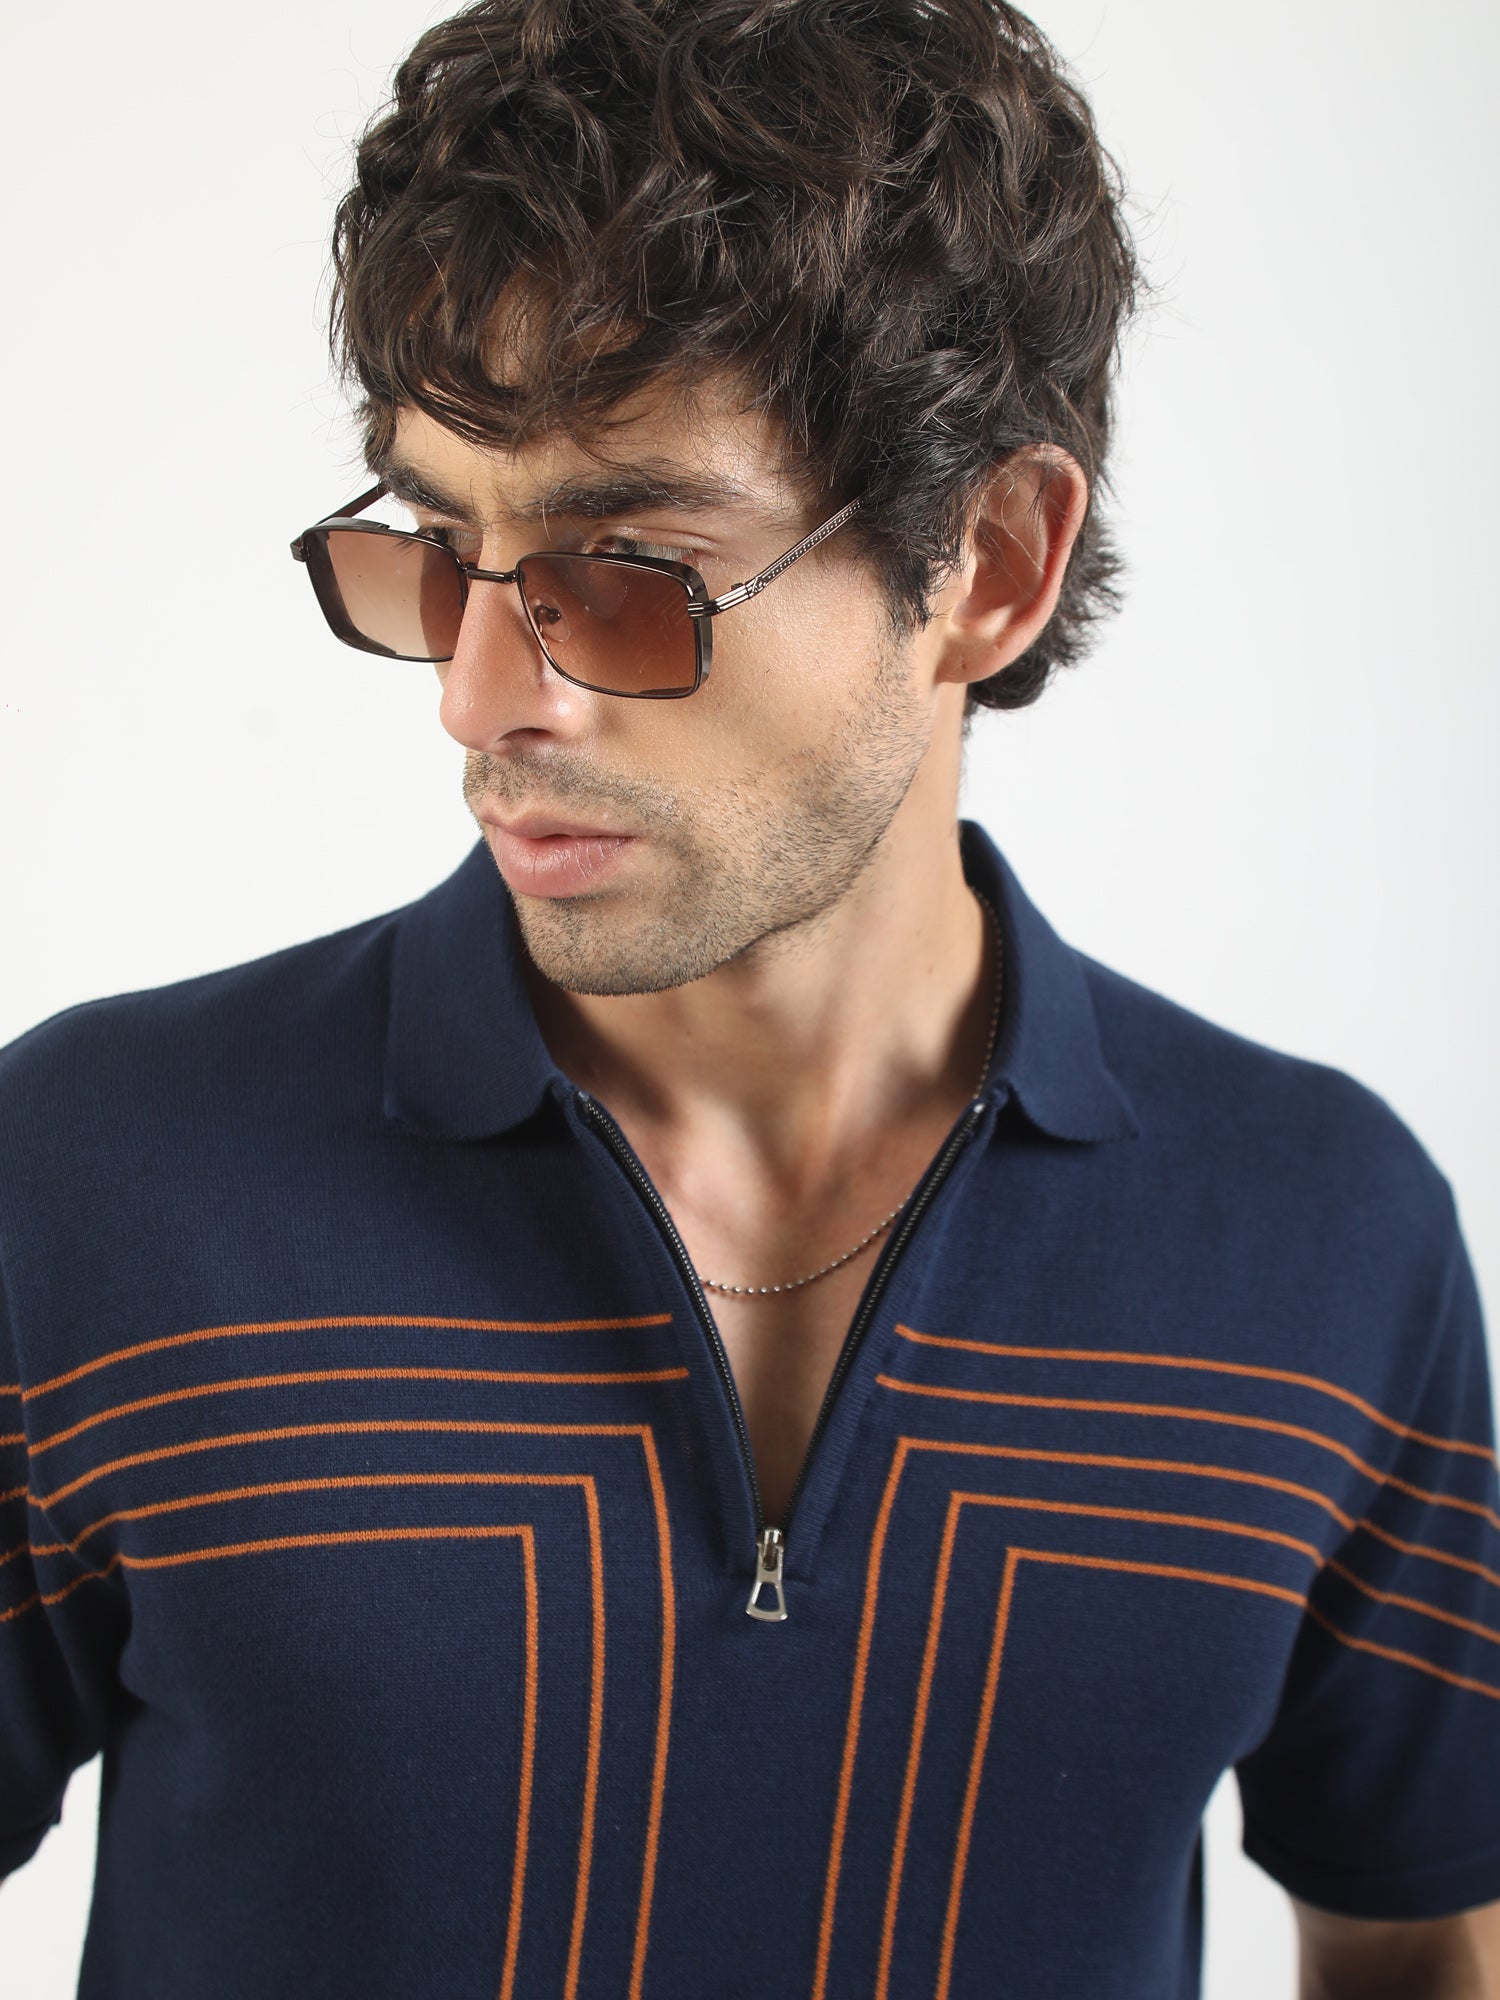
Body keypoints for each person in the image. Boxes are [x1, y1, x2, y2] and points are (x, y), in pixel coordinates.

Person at [1, 0, 1496, 1993]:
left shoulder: (1324, 1240)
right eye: (435, 550)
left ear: (990, 563)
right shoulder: (95, 1183)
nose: (480, 697)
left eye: (625, 569)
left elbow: (1420, 1939)